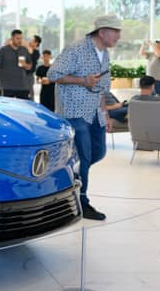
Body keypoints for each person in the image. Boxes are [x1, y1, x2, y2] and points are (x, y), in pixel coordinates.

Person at [47, 15, 122, 221]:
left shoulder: (104, 54)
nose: (118, 36)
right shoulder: (76, 49)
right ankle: (81, 202)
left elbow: (101, 88)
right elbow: (53, 74)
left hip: (95, 112)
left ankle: (67, 181)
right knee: (85, 157)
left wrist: (105, 114)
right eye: (115, 31)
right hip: (74, 112)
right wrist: (82, 80)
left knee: (97, 153)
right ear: (102, 32)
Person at [0, 29, 32, 99]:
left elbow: (29, 67)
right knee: (5, 106)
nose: (20, 40)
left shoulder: (24, 50)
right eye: (17, 38)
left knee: (23, 105)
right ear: (12, 38)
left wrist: (24, 64)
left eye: (21, 38)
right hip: (6, 87)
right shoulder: (4, 50)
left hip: (22, 87)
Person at [26, 35, 42, 99]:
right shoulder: (26, 50)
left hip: (29, 76)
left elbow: (30, 53)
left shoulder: (36, 52)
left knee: (30, 95)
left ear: (36, 43)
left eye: (31, 40)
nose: (29, 41)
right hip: (22, 76)